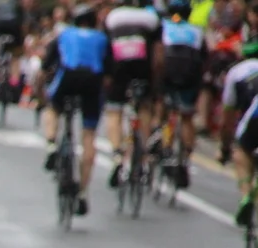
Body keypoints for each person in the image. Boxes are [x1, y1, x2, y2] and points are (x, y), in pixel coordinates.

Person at [42, 3, 112, 216]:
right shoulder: (102, 39)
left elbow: (47, 64)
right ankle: (82, 192)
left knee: (52, 108)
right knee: (89, 134)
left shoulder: (65, 34)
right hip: (92, 81)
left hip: (69, 77)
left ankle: (51, 144)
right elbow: (109, 72)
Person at [103, 0, 162, 189]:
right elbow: (158, 54)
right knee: (144, 107)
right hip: (142, 66)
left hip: (119, 64)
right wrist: (156, 80)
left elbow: (106, 47)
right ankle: (142, 154)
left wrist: (107, 76)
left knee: (114, 110)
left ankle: (117, 154)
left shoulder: (112, 17)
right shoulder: (151, 18)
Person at [153, 0, 207, 188]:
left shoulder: (163, 26)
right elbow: (204, 59)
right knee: (186, 115)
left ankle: (160, 132)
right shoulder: (197, 31)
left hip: (168, 71)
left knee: (162, 102)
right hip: (190, 74)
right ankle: (185, 157)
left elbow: (157, 54)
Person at [220, 39, 258, 225]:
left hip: (254, 116)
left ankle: (246, 195)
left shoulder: (237, 71)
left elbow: (227, 114)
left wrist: (225, 146)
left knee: (241, 152)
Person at [0, 0, 29, 101]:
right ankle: (14, 81)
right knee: (16, 54)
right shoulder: (16, 3)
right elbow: (23, 22)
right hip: (13, 25)